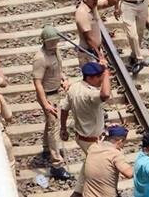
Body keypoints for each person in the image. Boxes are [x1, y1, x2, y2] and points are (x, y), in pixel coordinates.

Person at [60, 61, 111, 196]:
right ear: (90, 78)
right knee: (98, 169)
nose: (101, 79)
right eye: (99, 76)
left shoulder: (74, 88)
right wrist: (106, 74)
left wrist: (63, 128)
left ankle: (77, 192)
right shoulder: (90, 94)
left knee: (89, 164)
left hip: (81, 137)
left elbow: (64, 109)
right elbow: (105, 94)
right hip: (91, 140)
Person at [32, 25, 71, 181]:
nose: (54, 43)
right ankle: (56, 164)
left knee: (51, 124)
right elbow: (38, 83)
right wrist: (46, 103)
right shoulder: (40, 59)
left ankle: (47, 148)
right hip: (48, 96)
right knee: (54, 128)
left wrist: (63, 78)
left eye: (55, 40)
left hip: (56, 92)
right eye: (51, 41)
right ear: (44, 42)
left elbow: (58, 68)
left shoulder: (54, 51)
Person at [82, 125, 133, 197]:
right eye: (124, 142)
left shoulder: (93, 147)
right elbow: (129, 173)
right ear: (120, 141)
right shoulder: (115, 154)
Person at [75, 0, 117, 64]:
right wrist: (99, 56)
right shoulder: (82, 13)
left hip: (95, 51)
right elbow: (88, 39)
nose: (95, 1)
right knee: (93, 76)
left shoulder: (93, 6)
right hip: (88, 54)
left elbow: (113, 2)